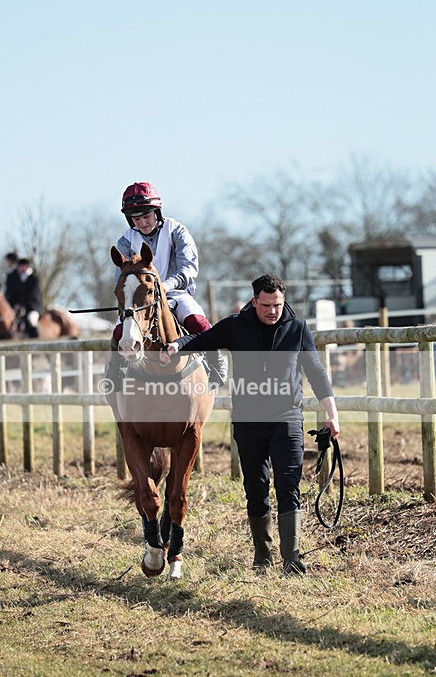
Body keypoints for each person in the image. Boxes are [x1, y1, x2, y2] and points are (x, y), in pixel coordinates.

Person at [161, 273, 340, 575]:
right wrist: (177, 345)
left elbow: (316, 371)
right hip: (248, 421)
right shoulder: (235, 327)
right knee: (255, 490)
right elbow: (203, 340)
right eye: (267, 305)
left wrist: (331, 413)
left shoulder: (297, 329)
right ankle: (263, 556)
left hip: (286, 419)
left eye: (278, 305)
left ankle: (291, 558)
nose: (273, 311)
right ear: (255, 301)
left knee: (288, 486)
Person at [107, 181, 227, 387]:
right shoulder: (125, 241)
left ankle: (216, 365)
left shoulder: (176, 231)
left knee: (199, 323)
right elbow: (122, 280)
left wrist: (166, 286)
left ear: (157, 212)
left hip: (176, 294)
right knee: (118, 333)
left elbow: (189, 268)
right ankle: (114, 373)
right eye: (136, 219)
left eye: (146, 216)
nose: (143, 223)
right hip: (140, 301)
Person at [12, 258, 43, 338]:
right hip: (20, 307)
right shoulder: (17, 279)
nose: (19, 268)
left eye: (21, 266)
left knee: (31, 319)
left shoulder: (34, 279)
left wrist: (22, 304)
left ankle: (36, 339)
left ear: (26, 267)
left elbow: (32, 295)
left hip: (33, 307)